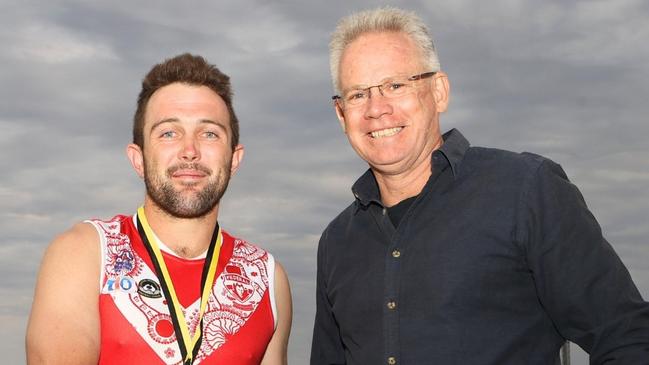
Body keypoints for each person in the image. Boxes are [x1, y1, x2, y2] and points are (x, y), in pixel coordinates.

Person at [311, 6, 649, 365]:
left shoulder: (525, 191)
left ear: (438, 91)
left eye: (395, 85)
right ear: (341, 114)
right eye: (358, 94)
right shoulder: (336, 243)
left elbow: (626, 337)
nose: (377, 108)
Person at [26, 53, 292, 365]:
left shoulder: (265, 279)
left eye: (209, 133)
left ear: (234, 159)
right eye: (168, 132)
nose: (190, 150)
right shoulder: (85, 254)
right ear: (138, 158)